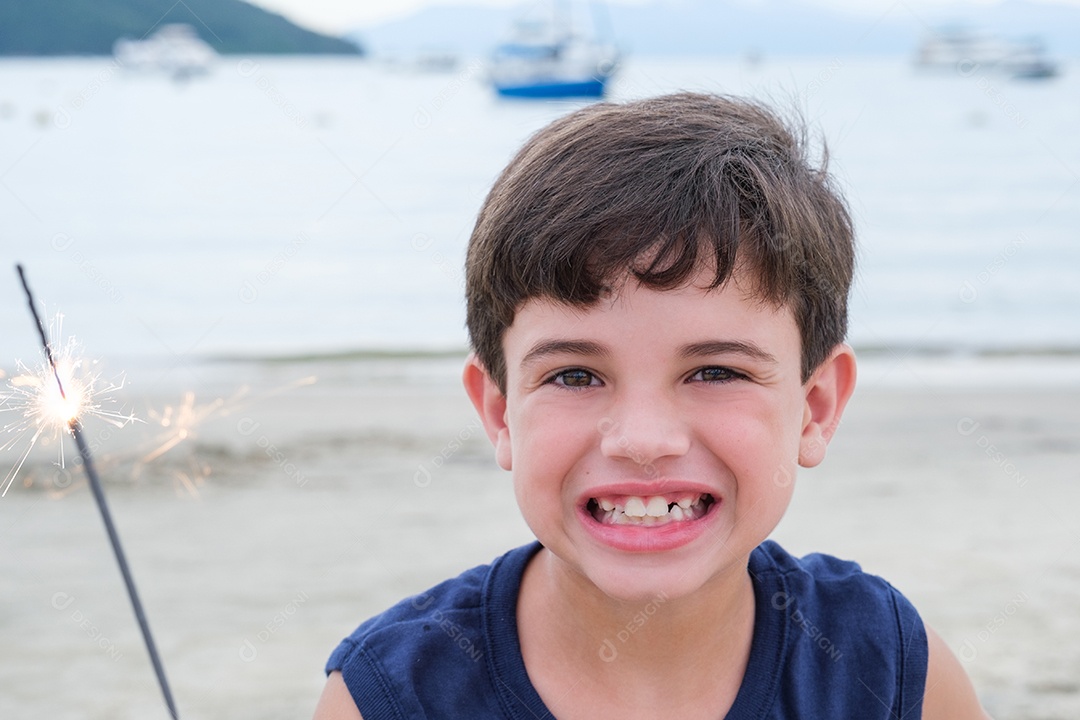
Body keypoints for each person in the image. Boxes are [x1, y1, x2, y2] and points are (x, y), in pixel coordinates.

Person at [312, 92, 989, 719]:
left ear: (813, 408)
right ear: (499, 411)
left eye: (715, 371)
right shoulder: (389, 700)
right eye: (575, 376)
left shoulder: (893, 674)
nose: (642, 439)